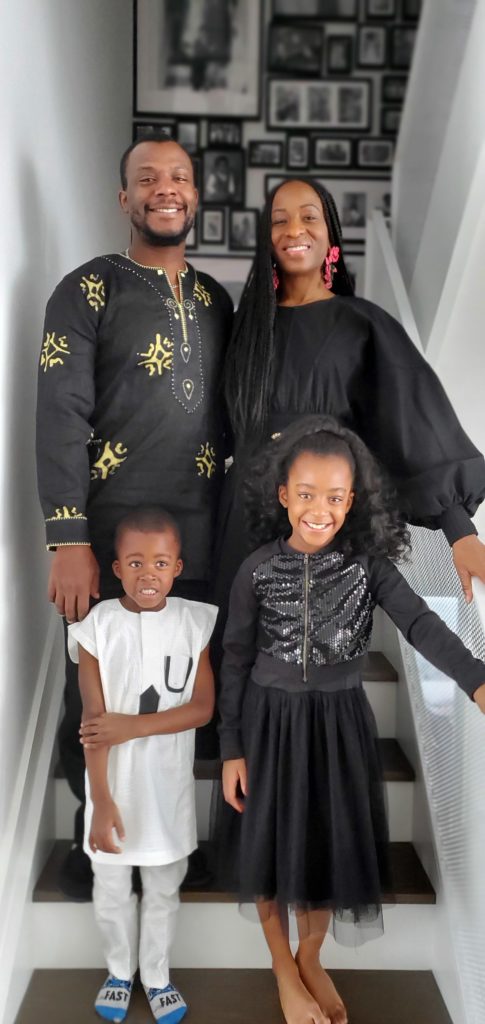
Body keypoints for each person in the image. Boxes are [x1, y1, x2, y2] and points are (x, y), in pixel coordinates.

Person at [218, 417, 485, 1024]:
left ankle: (311, 954)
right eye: (307, 494)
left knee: (322, 846)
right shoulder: (255, 570)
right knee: (268, 846)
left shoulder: (369, 566)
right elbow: (234, 660)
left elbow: (420, 625)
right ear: (284, 494)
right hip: (268, 725)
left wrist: (475, 679)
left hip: (339, 727)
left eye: (335, 497)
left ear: (352, 500)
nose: (320, 509)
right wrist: (232, 747)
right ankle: (284, 969)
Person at [36, 135, 233, 898]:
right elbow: (60, 413)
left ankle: (182, 845)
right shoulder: (87, 290)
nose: (165, 188)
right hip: (111, 542)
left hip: (204, 541)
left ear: (195, 195)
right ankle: (100, 844)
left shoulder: (217, 301)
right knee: (100, 692)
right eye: (146, 178)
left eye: (178, 177)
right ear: (123, 199)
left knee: (193, 699)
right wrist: (68, 536)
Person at [216, 176, 485, 624]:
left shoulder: (363, 325)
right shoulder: (241, 327)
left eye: (309, 217)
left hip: (322, 526)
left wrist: (461, 533)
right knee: (235, 663)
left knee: (311, 669)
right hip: (239, 527)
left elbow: (411, 423)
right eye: (278, 221)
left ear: (331, 237)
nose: (294, 229)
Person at [68, 506, 217, 1023]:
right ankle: (117, 970)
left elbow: (201, 709)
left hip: (166, 789)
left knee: (162, 889)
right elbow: (93, 720)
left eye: (159, 563)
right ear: (116, 569)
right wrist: (102, 800)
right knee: (110, 889)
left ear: (177, 567)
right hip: (112, 786)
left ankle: (155, 975)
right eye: (134, 563)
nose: (146, 574)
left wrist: (132, 726)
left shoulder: (194, 622)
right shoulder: (96, 627)